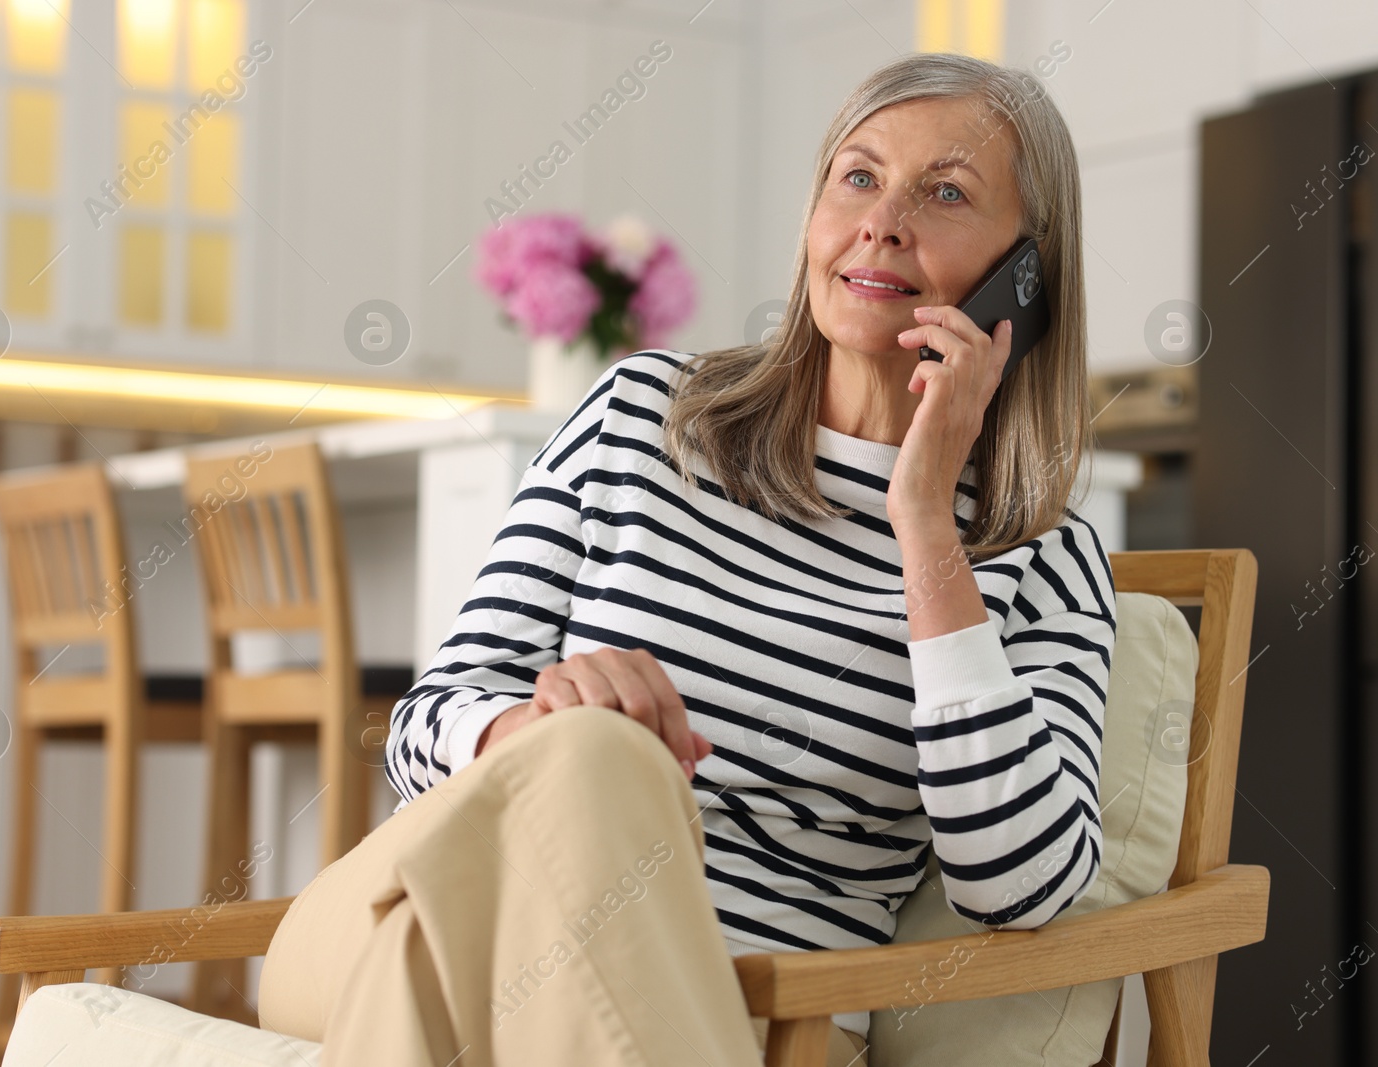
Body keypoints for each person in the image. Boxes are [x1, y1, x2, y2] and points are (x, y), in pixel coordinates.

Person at [258, 50, 1114, 1067]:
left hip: (731, 1006)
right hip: (406, 902)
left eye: (945, 192)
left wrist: (926, 523)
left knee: (445, 961)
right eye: (858, 176)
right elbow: (423, 724)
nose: (882, 220)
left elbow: (1021, 881)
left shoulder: (1041, 557)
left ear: (1024, 273)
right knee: (590, 750)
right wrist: (542, 734)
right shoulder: (643, 417)